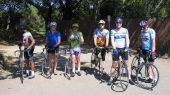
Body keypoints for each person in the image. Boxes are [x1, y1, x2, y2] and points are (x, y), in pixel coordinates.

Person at [108, 17, 135, 85]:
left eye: (120, 23)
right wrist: (114, 49)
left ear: (121, 23)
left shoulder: (125, 30)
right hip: (116, 49)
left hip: (124, 49)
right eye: (117, 23)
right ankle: (111, 78)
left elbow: (127, 39)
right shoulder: (113, 31)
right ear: (115, 23)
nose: (118, 24)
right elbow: (112, 40)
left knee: (126, 64)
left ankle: (129, 78)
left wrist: (127, 47)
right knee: (114, 64)